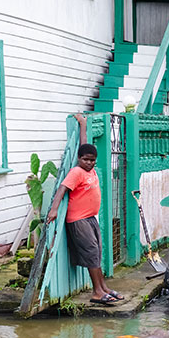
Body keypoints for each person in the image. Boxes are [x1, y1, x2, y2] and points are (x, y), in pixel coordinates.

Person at [46, 113, 123, 305]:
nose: (89, 162)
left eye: (92, 160)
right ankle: (97, 292)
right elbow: (62, 189)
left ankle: (103, 287)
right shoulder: (77, 172)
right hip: (78, 220)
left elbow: (84, 144)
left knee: (96, 252)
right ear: (79, 159)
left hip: (90, 218)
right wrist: (54, 210)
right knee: (90, 251)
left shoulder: (91, 170)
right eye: (85, 159)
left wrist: (83, 124)